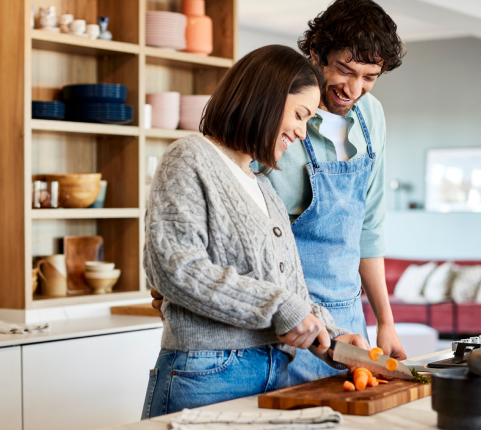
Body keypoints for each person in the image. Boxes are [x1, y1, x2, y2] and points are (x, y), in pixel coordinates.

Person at [152, 0, 407, 386]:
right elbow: (205, 243)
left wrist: (383, 322)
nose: (355, 89)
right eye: (344, 70)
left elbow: (369, 228)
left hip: (327, 323)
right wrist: (171, 287)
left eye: (370, 77)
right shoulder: (212, 154)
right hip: (275, 326)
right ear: (316, 51)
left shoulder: (371, 117)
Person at [141, 45, 367, 419]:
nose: (300, 131)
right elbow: (174, 268)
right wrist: (281, 308)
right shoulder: (189, 157)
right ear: (265, 98)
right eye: (299, 115)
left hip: (274, 370)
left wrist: (331, 335)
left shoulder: (263, 186)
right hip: (208, 372)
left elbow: (288, 290)